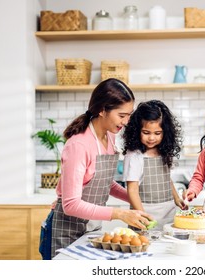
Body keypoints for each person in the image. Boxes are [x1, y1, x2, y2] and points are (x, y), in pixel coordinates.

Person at [50, 78, 152, 259]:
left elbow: (103, 182)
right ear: (102, 110)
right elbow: (70, 205)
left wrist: (134, 195)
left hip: (91, 228)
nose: (127, 121)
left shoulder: (109, 137)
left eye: (129, 115)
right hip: (67, 230)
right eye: (122, 116)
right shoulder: (79, 145)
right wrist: (120, 213)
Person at [122, 100, 186, 231]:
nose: (152, 138)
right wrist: (143, 216)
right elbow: (132, 190)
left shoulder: (163, 152)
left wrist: (176, 198)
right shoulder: (135, 155)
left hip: (168, 215)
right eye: (146, 133)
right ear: (137, 130)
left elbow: (166, 178)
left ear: (165, 132)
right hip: (145, 216)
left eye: (157, 133)